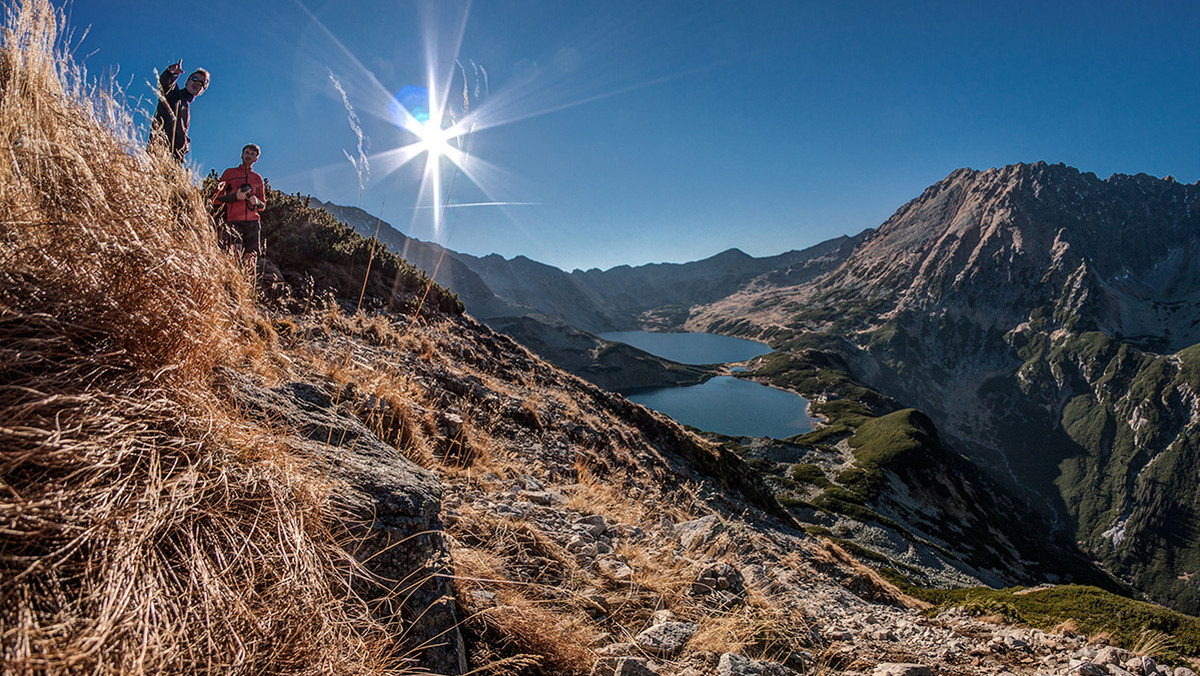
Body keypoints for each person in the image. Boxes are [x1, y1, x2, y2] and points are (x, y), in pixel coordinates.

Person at [214, 144, 267, 274]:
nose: (249, 155)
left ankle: (247, 289)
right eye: (247, 153)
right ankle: (232, 285)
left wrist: (255, 201)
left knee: (251, 259)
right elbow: (216, 198)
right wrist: (236, 197)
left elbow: (263, 206)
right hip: (234, 220)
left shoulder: (257, 178)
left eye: (253, 154)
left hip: (253, 223)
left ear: (256, 159)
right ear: (242, 155)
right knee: (234, 255)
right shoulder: (229, 173)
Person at [150, 59, 208, 162]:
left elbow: (180, 132)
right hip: (159, 153)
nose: (197, 83)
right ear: (187, 82)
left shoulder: (186, 107)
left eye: (201, 83)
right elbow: (166, 85)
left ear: (202, 92)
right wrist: (170, 74)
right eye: (194, 79)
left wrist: (186, 144)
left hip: (176, 160)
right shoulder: (174, 95)